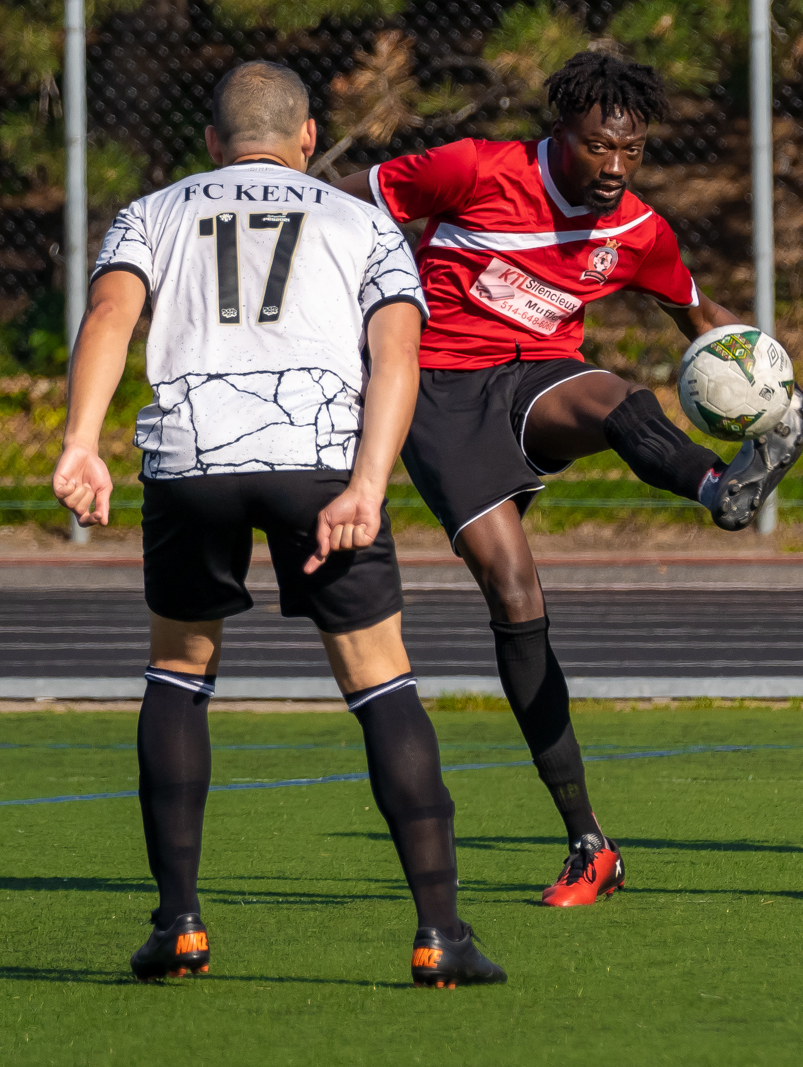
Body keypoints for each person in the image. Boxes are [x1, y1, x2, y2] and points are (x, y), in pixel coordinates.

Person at [334, 50, 803, 907]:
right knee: (514, 597)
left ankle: (718, 490)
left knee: (620, 399)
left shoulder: (637, 229)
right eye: (599, 148)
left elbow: (703, 320)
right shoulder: (475, 168)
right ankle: (590, 843)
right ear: (562, 134)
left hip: (541, 376)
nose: (616, 168)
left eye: (632, 152)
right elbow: (346, 202)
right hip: (437, 396)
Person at [52, 61, 505, 984]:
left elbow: (109, 312)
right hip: (317, 468)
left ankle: (179, 923)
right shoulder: (363, 221)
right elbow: (397, 356)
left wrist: (80, 442)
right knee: (380, 681)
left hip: (191, 463)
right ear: (307, 140)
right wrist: (370, 482)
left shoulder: (154, 211)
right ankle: (439, 935)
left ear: (213, 144)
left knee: (178, 672)